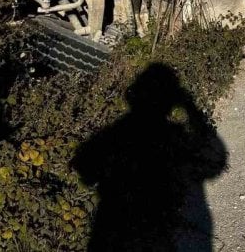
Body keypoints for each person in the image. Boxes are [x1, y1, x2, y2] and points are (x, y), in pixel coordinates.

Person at [74, 63, 227, 251]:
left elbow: (84, 170)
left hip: (113, 224)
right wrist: (190, 108)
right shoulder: (173, 135)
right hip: (155, 226)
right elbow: (211, 164)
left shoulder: (116, 132)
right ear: (170, 100)